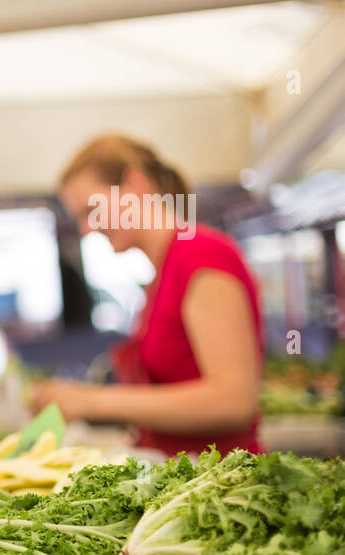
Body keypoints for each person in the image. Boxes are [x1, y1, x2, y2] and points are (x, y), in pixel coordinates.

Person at [30, 134, 264, 455]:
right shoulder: (163, 272)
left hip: (223, 487)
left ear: (133, 185)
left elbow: (234, 401)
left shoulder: (203, 254)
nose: (86, 229)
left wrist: (92, 402)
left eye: (90, 210)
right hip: (186, 483)